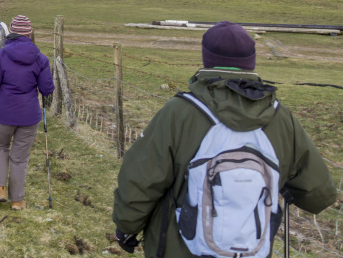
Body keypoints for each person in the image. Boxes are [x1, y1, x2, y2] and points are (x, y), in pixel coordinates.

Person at [112, 21, 336, 257]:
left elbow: (142, 179)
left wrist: (127, 227)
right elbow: (320, 194)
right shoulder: (281, 118)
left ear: (207, 58)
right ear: (251, 61)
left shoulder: (179, 112)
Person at [0, 15, 55, 211]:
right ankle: (18, 201)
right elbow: (47, 89)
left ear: (10, 32)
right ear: (30, 34)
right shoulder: (40, 59)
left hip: (3, 113)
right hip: (29, 116)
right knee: (20, 157)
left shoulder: (1, 56)